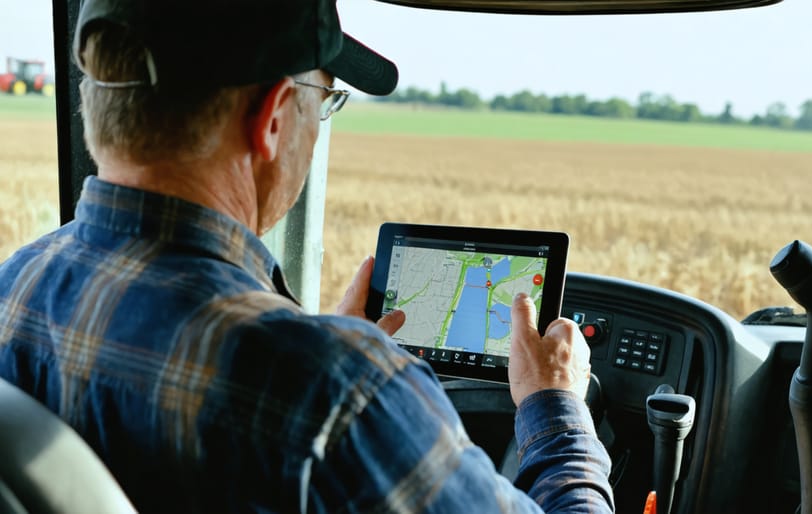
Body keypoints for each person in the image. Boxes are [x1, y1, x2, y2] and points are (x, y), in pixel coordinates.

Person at [0, 0, 614, 512]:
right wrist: (554, 405)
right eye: (324, 100)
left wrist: (322, 343)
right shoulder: (337, 396)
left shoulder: (12, 287)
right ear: (271, 119)